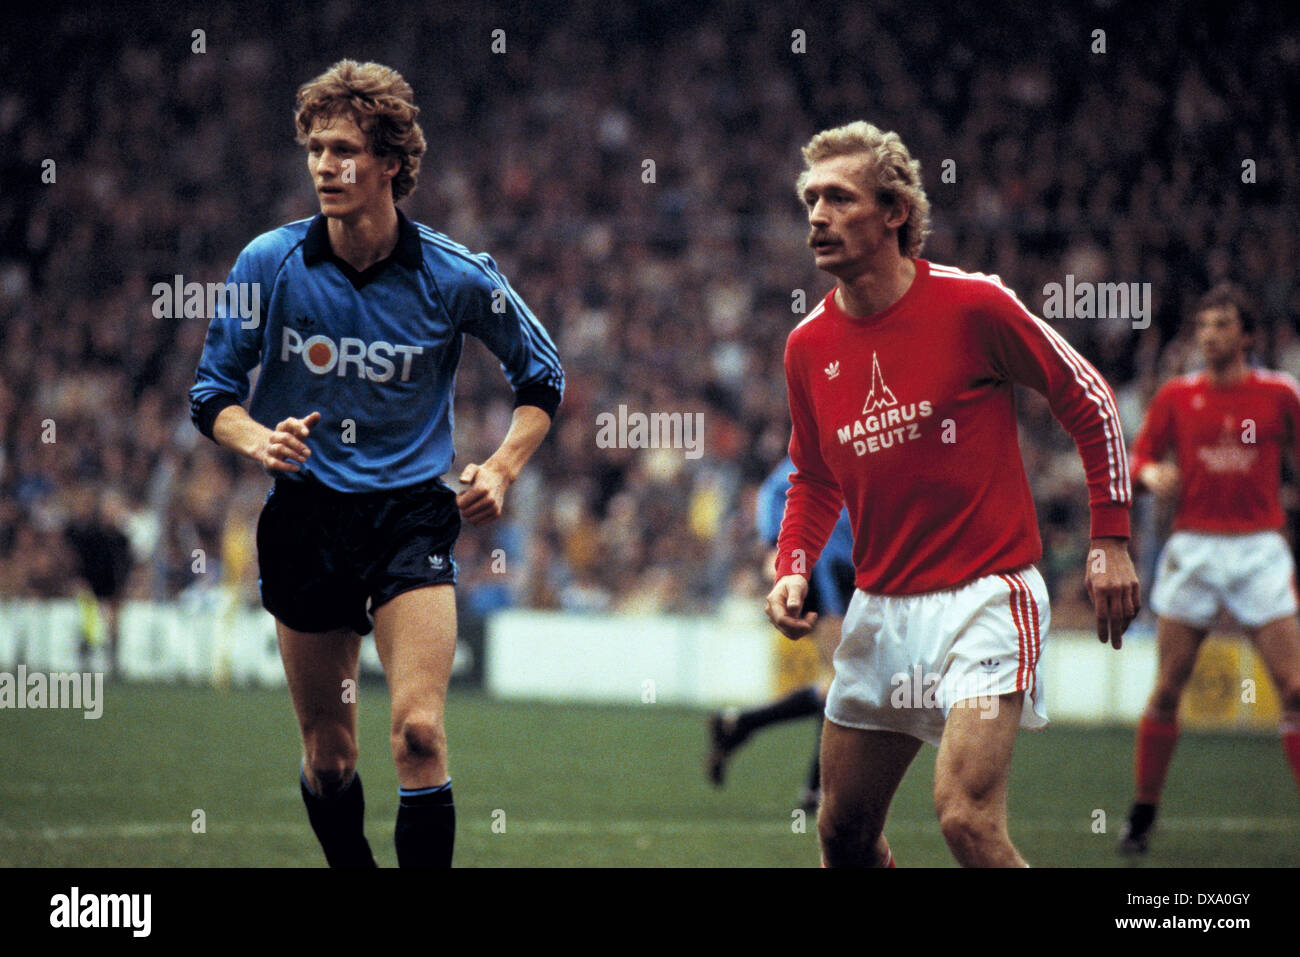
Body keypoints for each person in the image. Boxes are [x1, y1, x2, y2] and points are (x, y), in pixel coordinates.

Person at [188, 60, 563, 868]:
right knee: (331, 755)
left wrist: (499, 466)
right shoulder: (269, 262)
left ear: (390, 163)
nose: (325, 166)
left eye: (344, 149)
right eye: (315, 149)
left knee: (420, 733)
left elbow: (543, 378)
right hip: (305, 515)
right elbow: (211, 392)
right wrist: (257, 439)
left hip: (410, 517)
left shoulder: (456, 275)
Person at [764, 121, 1140, 868]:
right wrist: (792, 564)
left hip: (986, 598)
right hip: (882, 607)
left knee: (965, 820)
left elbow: (1088, 396)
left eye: (839, 197)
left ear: (895, 211)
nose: (817, 214)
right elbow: (811, 476)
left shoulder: (974, 305)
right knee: (842, 833)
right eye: (811, 198)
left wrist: (1110, 537)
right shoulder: (806, 346)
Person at [1118, 283, 1300, 854]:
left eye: (1222, 325)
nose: (1209, 335)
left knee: (1293, 688)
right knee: (1169, 687)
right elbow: (1139, 456)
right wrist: (1147, 475)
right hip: (1193, 548)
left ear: (1246, 336)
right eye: (1203, 325)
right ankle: (1143, 813)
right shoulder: (1176, 395)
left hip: (1259, 550)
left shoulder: (1279, 394)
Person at [706, 456, 854, 811]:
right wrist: (780, 549)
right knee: (842, 678)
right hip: (824, 570)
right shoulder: (817, 453)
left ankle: (739, 724)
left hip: (848, 571)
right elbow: (774, 493)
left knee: (840, 681)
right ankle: (817, 791)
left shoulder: (862, 447)